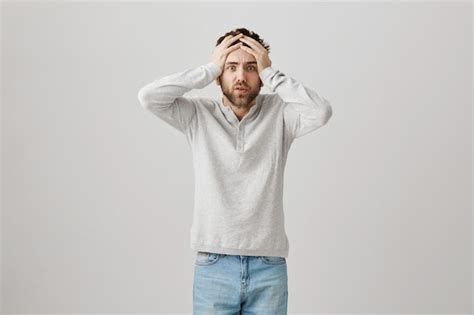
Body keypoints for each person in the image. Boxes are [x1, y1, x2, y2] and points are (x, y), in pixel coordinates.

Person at [137, 27, 333, 314]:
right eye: (231, 67)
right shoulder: (197, 115)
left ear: (262, 73)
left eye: (251, 67)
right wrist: (208, 69)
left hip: (268, 266)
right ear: (219, 75)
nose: (241, 76)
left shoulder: (280, 114)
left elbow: (321, 112)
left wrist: (272, 74)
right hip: (214, 265)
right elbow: (148, 97)